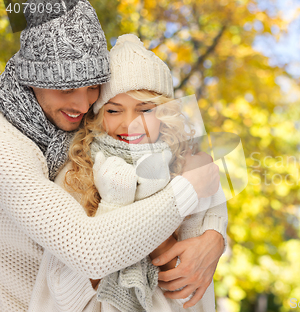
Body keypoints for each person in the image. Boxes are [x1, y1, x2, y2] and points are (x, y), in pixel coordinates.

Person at [0, 1, 226, 311]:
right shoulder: (9, 149)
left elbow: (201, 157)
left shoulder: (83, 130)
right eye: (66, 89)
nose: (82, 105)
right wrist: (188, 189)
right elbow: (88, 249)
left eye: (93, 86)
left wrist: (213, 236)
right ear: (31, 79)